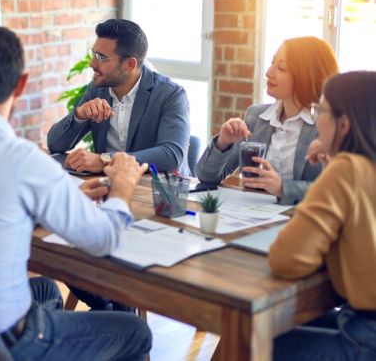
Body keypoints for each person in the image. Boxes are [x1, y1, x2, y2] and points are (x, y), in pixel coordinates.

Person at [0, 26, 152, 361]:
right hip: (2, 341)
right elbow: (104, 240)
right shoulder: (23, 159)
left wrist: (67, 198)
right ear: (20, 85)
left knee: (46, 291)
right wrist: (121, 188)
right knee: (134, 332)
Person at [269, 71, 376, 359]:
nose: (316, 119)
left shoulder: (348, 169)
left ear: (344, 124)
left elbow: (287, 259)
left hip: (366, 336)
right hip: (362, 323)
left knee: (252, 343)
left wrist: (335, 166)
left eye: (321, 110)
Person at [196, 36, 339, 205]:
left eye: (281, 68)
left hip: (304, 221)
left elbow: (338, 192)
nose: (269, 72)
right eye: (272, 63)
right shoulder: (257, 116)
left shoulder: (330, 127)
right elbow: (206, 176)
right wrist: (223, 143)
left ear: (306, 76)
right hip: (253, 217)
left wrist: (283, 187)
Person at [47, 18, 190, 175]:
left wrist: (105, 160)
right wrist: (79, 115)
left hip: (161, 192)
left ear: (129, 65)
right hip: (108, 188)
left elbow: (171, 154)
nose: (92, 64)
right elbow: (55, 145)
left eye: (101, 58)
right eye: (93, 54)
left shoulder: (170, 94)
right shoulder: (97, 89)